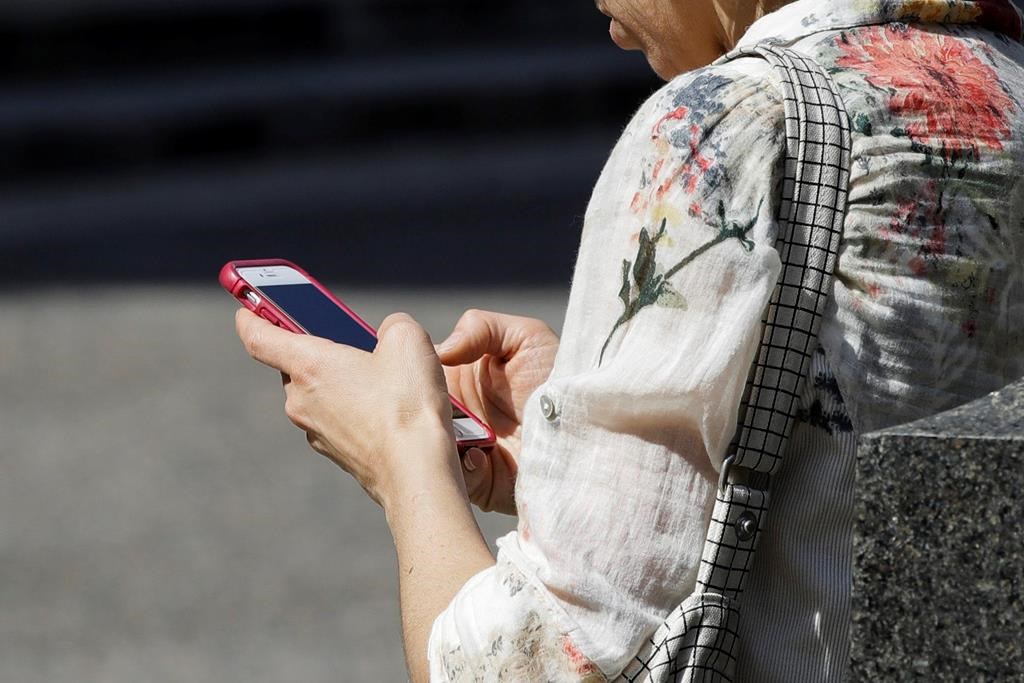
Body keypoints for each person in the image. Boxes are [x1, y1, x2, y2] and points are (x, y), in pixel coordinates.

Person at [233, 0, 1024, 680]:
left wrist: (403, 450)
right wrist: (585, 426)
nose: (606, 19)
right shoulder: (1010, 89)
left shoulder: (721, 128)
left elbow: (537, 664)